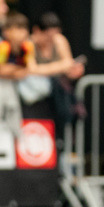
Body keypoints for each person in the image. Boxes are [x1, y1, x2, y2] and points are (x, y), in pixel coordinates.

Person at [30, 12, 86, 144]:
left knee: (60, 88)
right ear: (37, 31)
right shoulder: (29, 43)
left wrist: (65, 68)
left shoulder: (59, 40)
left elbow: (68, 64)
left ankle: (62, 138)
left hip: (58, 93)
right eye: (48, 36)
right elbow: (31, 69)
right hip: (37, 93)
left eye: (55, 35)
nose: (51, 39)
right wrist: (61, 67)